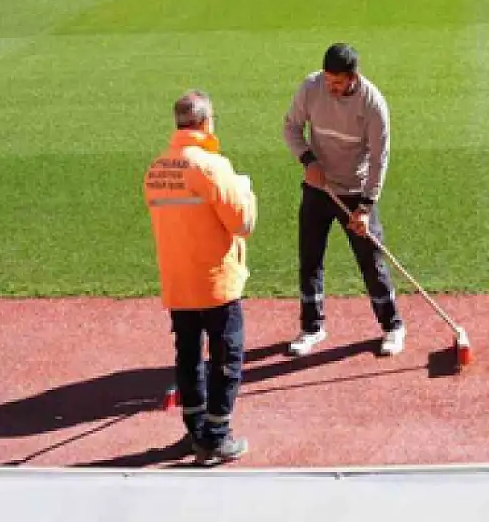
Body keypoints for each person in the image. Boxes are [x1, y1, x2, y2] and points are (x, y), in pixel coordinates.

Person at [144, 90, 257, 465]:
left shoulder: (157, 169)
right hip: (215, 282)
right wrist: (246, 192)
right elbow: (243, 222)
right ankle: (216, 437)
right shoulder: (212, 167)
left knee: (188, 358)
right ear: (206, 122)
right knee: (227, 358)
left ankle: (195, 431)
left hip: (178, 281)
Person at [281, 43, 404, 358]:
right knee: (310, 258)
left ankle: (393, 326)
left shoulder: (373, 104)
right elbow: (291, 127)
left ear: (353, 77)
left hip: (354, 192)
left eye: (338, 83)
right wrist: (308, 160)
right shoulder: (311, 88)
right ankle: (312, 327)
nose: (331, 88)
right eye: (327, 80)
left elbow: (379, 159)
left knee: (371, 262)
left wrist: (365, 207)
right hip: (319, 188)